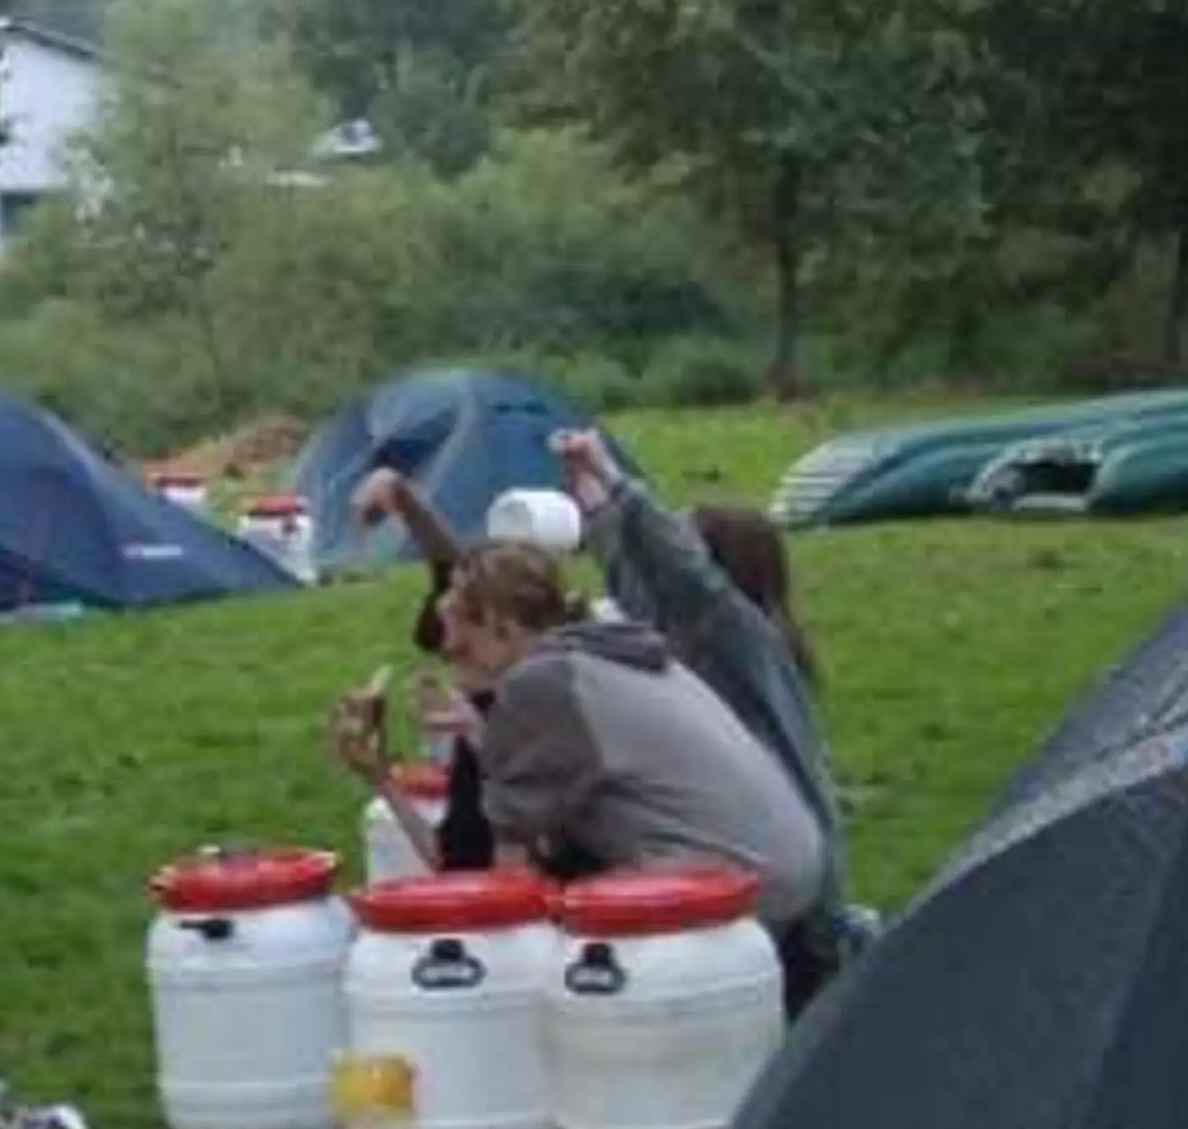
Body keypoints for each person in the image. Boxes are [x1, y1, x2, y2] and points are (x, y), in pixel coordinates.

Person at [552, 428, 866, 1010]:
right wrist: (594, 509)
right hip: (747, 862)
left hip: (793, 897)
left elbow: (685, 578)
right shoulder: (694, 641)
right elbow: (639, 589)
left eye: (685, 537)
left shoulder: (747, 645)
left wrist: (616, 480)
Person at [433, 538, 831, 959]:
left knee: (556, 935)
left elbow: (508, 871)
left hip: (733, 880)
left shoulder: (541, 683)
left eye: (460, 630)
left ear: (501, 626)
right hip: (790, 861)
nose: (449, 649)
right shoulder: (610, 654)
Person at [323, 465, 498, 871]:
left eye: (454, 650)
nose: (451, 666)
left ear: (497, 632)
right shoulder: (482, 727)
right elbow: (452, 861)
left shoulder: (530, 723)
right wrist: (379, 776)